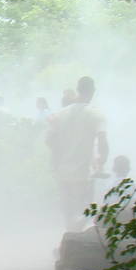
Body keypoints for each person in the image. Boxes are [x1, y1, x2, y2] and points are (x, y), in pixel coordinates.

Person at [46, 75, 109, 229]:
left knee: (68, 214)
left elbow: (49, 141)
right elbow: (103, 143)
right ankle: (74, 244)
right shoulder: (96, 114)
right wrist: (101, 163)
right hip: (84, 173)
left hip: (63, 172)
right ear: (92, 91)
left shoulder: (60, 115)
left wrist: (59, 155)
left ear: (78, 90)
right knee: (85, 212)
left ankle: (69, 242)